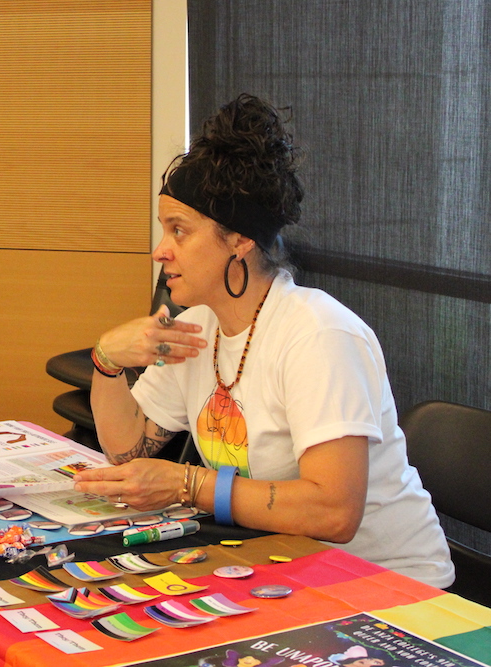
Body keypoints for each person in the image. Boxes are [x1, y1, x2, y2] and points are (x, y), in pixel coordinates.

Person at [73, 93, 453, 589]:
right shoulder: (199, 325)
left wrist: (188, 484)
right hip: (283, 568)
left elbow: (334, 511)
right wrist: (107, 361)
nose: (159, 250)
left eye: (179, 231)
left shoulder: (318, 335)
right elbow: (127, 452)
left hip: (390, 589)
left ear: (239, 240)